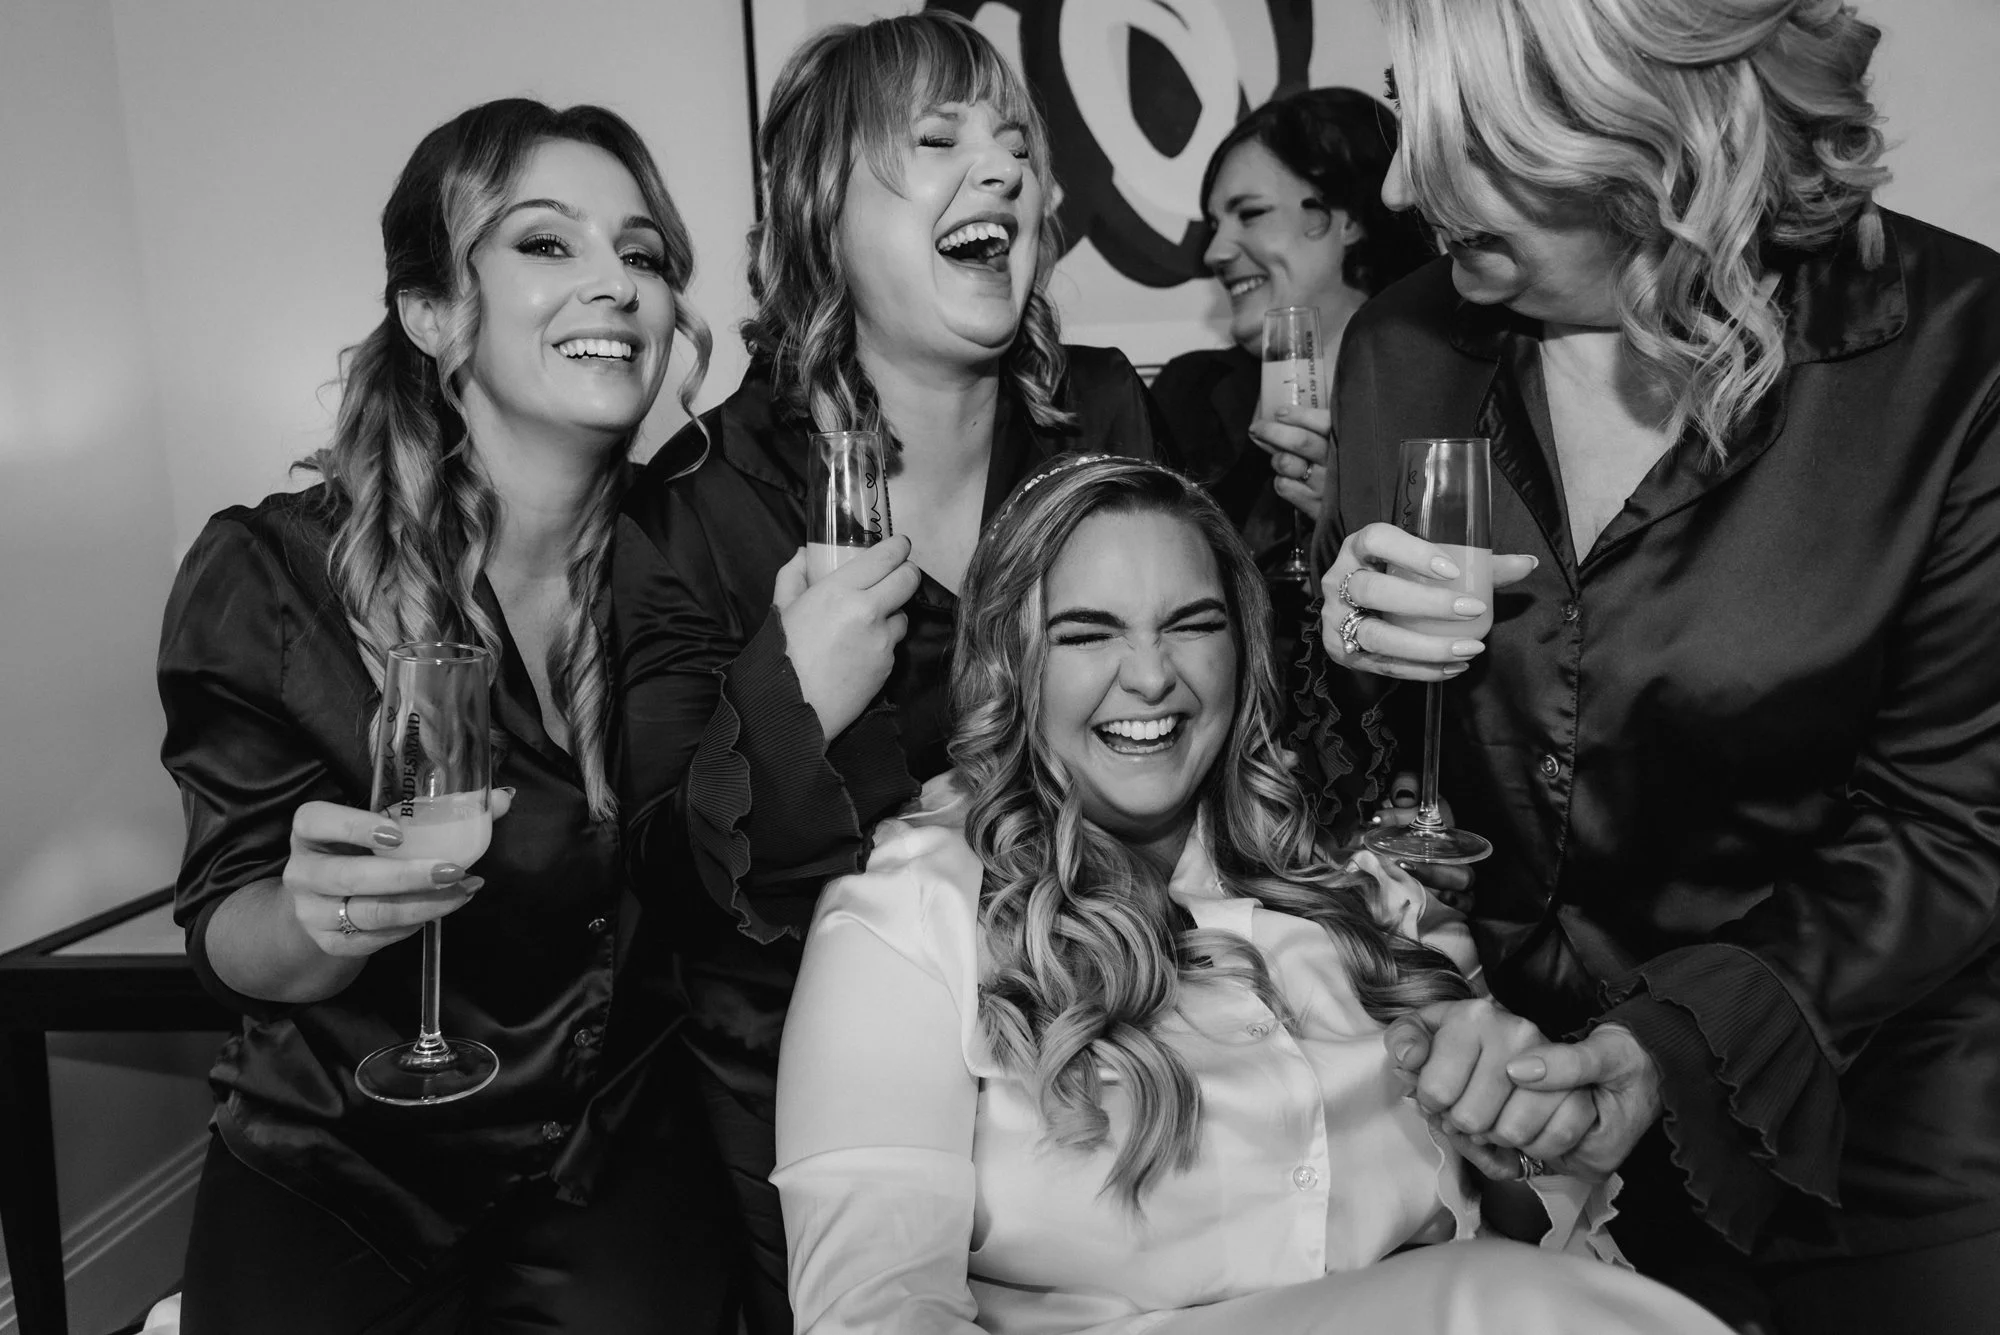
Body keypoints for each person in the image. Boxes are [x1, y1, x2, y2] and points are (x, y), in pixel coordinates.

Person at [1310, 1, 2000, 1330]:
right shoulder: (1404, 349)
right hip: (1514, 1133)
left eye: (1465, 134)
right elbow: (1377, 786)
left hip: (1878, 1134)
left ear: (1638, 127)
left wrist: (1655, 1051)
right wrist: (1340, 649)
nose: (1399, 183)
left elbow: (1952, 824)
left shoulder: (1956, 359)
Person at [771, 455, 1729, 1335]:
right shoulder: (909, 915)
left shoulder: (1367, 897)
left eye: (1192, 625)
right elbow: (873, 1311)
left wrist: (1521, 1129)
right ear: (1009, 666)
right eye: (1086, 633)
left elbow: (1532, 1222)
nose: (1151, 676)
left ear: (1244, 651)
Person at [612, 14, 1171, 1330]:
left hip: (1100, 1063)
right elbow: (648, 884)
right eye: (936, 142)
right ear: (817, 217)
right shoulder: (695, 506)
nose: (1001, 172)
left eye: (1015, 146)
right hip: (806, 1103)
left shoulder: (1105, 423)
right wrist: (787, 693)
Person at [158, 100, 732, 1333]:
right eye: (545, 244)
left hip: (613, 1175)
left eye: (640, 255)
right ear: (431, 314)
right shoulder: (274, 577)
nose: (612, 285)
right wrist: (319, 919)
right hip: (339, 1171)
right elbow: (225, 935)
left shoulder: (699, 571)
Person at [1152, 88, 1430, 599]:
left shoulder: (1448, 394)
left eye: (1250, 213)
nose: (1214, 251)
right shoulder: (1185, 395)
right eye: (1215, 225)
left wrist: (1354, 515)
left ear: (1345, 219)